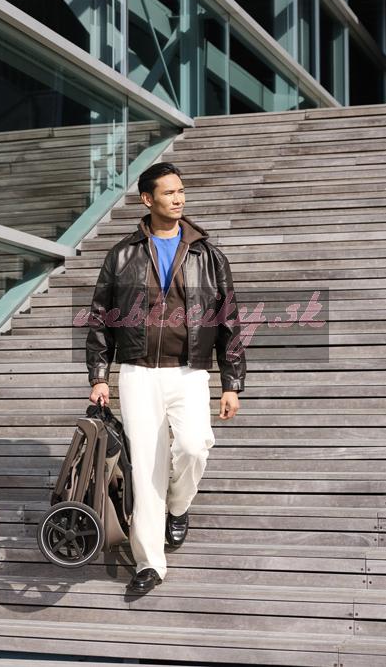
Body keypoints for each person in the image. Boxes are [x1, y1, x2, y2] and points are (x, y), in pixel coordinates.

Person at [85, 161, 246, 594]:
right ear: (147, 199)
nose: (179, 199)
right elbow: (100, 318)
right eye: (169, 192)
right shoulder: (122, 255)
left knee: (194, 446)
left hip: (189, 371)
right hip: (137, 373)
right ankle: (149, 563)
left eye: (181, 191)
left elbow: (229, 321)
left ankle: (178, 505)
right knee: (146, 467)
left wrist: (231, 383)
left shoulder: (208, 256)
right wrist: (99, 375)